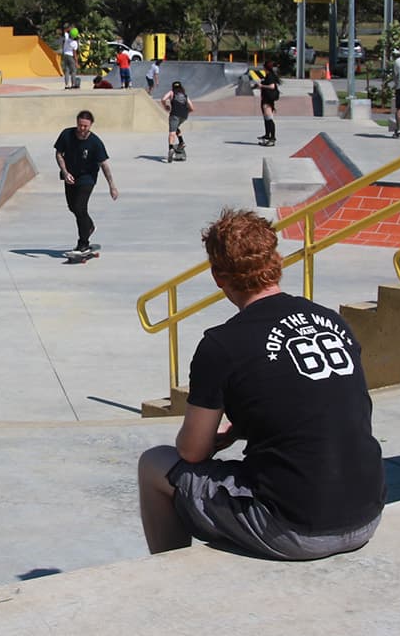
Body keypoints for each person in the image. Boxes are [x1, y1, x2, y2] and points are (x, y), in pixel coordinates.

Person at [137, 209, 385, 559]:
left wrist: (214, 438)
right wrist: (243, 427)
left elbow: (191, 452)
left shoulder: (221, 345)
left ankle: (168, 574)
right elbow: (319, 405)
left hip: (295, 527)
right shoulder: (332, 321)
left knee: (154, 464)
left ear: (217, 277)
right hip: (367, 512)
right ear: (277, 262)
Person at [53, 111, 118, 254]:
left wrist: (112, 186)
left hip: (87, 178)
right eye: (80, 125)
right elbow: (59, 154)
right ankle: (89, 226)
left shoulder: (95, 143)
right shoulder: (67, 134)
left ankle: (83, 243)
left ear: (91, 125)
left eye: (85, 126)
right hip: (69, 175)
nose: (82, 129)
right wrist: (64, 171)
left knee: (79, 207)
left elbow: (104, 165)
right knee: (73, 208)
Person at [162, 81, 193, 160]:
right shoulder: (185, 96)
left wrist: (166, 106)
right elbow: (192, 108)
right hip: (184, 116)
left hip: (174, 114)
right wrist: (185, 112)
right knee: (176, 128)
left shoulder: (172, 92)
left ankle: (171, 148)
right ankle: (181, 142)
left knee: (172, 132)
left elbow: (163, 99)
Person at [253, 66, 280, 147]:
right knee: (266, 119)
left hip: (268, 100)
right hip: (265, 99)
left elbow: (272, 86)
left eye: (264, 68)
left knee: (269, 119)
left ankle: (272, 138)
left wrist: (262, 86)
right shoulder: (267, 76)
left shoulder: (270, 76)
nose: (263, 69)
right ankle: (267, 136)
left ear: (266, 68)